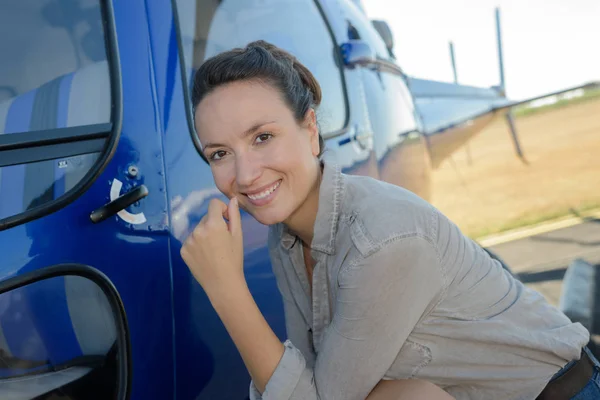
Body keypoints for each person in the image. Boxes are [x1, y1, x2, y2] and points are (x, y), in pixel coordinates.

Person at [179, 40, 597, 399]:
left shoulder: (382, 240)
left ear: (309, 130)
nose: (245, 174)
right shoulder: (286, 236)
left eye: (262, 137)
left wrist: (226, 289)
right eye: (220, 153)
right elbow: (304, 378)